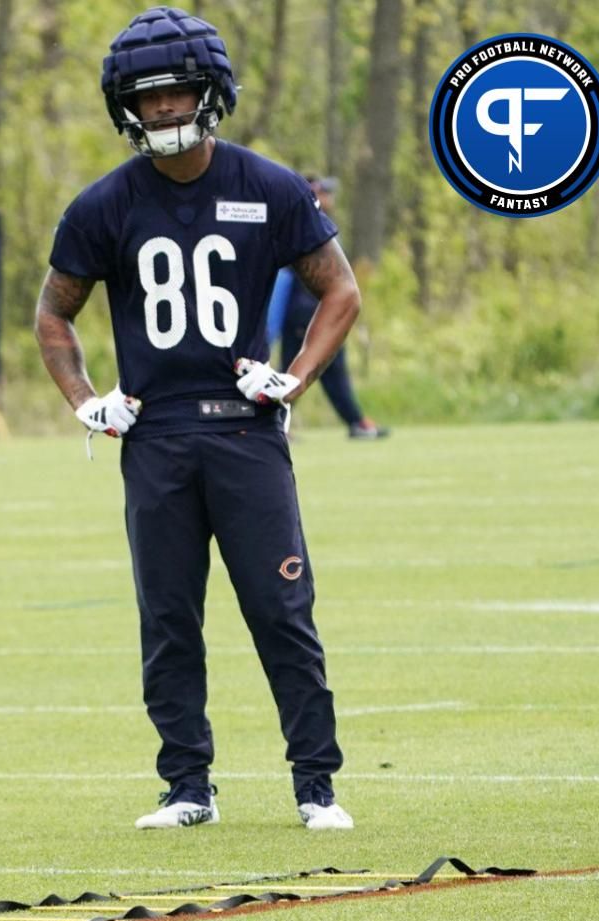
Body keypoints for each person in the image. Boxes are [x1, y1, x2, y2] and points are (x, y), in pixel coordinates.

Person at [33, 6, 360, 831]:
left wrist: (295, 379)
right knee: (169, 619)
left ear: (209, 94)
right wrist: (85, 402)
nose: (165, 112)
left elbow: (340, 291)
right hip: (154, 436)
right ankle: (187, 786)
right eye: (149, 100)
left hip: (246, 431)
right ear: (126, 109)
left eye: (178, 94)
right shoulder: (102, 205)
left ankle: (315, 785)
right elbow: (53, 315)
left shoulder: (270, 186)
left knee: (281, 611)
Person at [266, 176, 389, 439]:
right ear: (314, 193)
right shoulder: (296, 224)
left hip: (323, 313)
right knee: (293, 371)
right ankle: (273, 424)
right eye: (325, 192)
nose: (331, 198)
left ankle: (355, 422)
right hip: (304, 315)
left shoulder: (319, 224)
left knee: (329, 373)